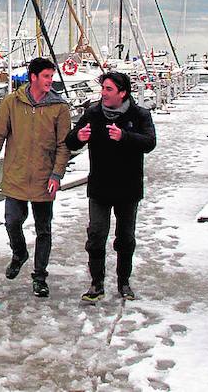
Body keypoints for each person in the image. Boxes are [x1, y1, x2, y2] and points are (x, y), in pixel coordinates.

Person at [66, 70, 156, 303]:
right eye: (103, 89)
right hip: (100, 187)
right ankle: (96, 283)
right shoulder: (93, 113)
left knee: (125, 238)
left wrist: (124, 136)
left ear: (122, 93)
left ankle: (123, 281)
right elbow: (71, 140)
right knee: (96, 235)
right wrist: (79, 137)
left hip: (128, 187)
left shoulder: (139, 115)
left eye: (109, 89)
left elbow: (150, 143)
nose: (103, 94)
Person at [0, 57, 71, 298]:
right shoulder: (12, 102)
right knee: (12, 221)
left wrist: (57, 174)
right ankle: (19, 253)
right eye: (46, 76)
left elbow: (64, 145)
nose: (49, 81)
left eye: (51, 77)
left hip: (45, 179)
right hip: (16, 176)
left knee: (43, 229)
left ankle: (40, 277)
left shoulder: (59, 107)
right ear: (33, 77)